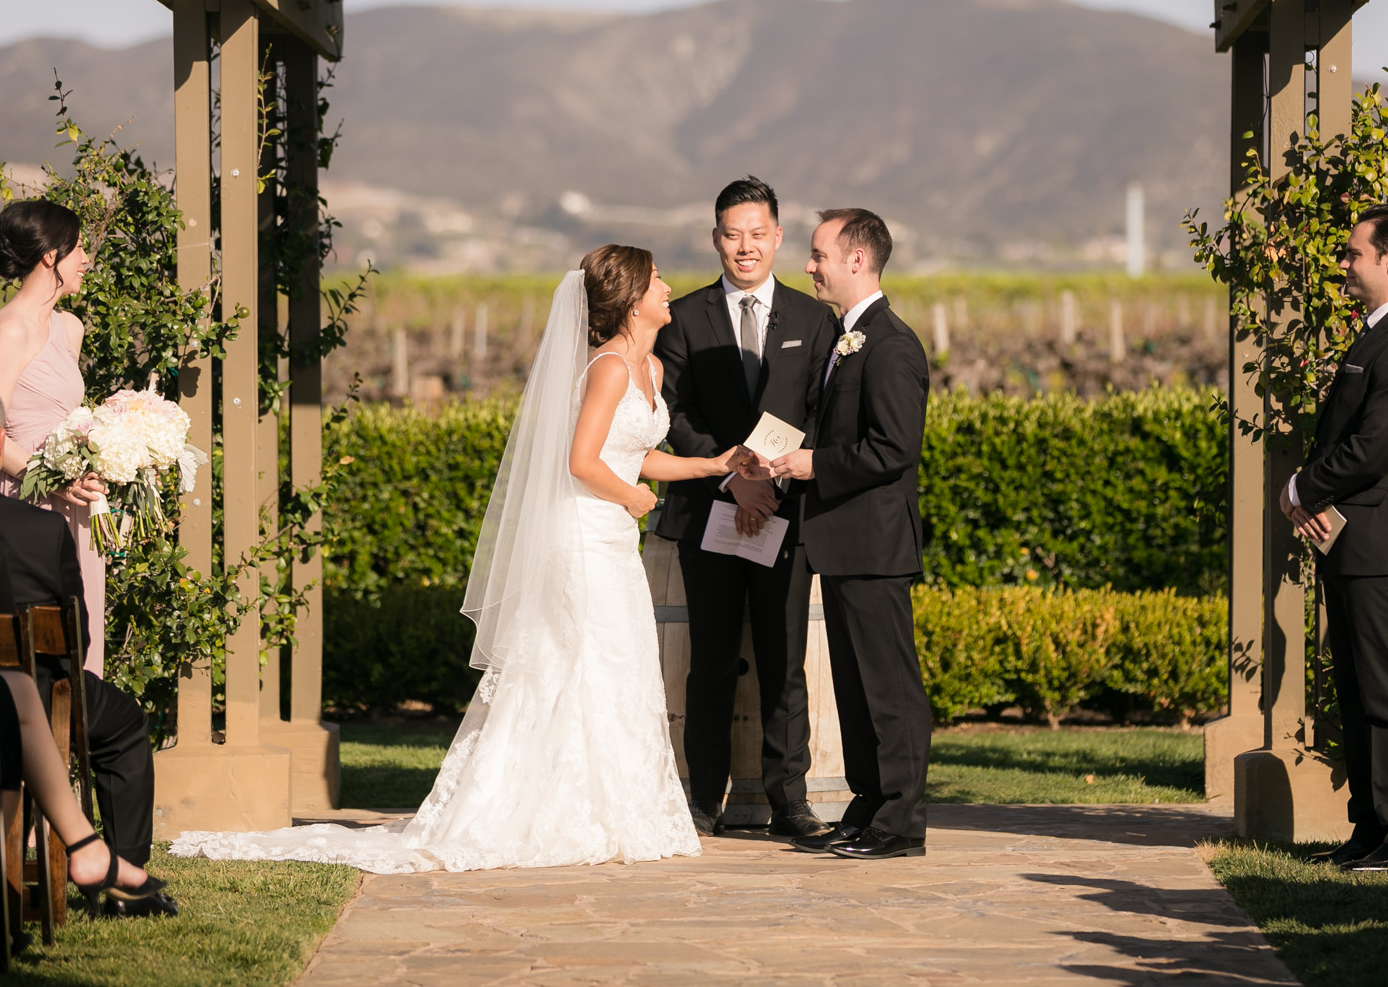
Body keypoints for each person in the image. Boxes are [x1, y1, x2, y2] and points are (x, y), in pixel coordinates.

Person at [171, 247, 746, 872]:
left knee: (615, 658)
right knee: (583, 659)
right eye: (657, 278)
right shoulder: (606, 368)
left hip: (611, 536)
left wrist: (711, 464)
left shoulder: (652, 371)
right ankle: (558, 810)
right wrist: (632, 496)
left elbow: (637, 453)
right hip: (580, 533)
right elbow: (581, 462)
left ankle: (610, 808)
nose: (668, 287)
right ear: (633, 297)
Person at [0, 371, 171, 905]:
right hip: (39, 702)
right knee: (126, 723)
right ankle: (122, 874)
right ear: (0, 442)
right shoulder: (41, 529)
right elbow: (75, 640)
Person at [654, 176, 836, 840]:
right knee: (710, 659)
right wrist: (734, 478)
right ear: (716, 239)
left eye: (758, 233)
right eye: (733, 234)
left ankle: (789, 800)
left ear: (778, 237)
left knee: (784, 658)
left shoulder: (817, 320)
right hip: (712, 511)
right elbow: (671, 411)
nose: (746, 246)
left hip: (785, 516)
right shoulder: (683, 316)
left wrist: (774, 482)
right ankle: (704, 799)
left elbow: (823, 412)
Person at [1276, 204, 1388, 873]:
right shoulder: (1380, 333)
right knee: (1356, 687)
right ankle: (1372, 823)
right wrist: (1312, 493)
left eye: (1353, 253)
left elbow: (1372, 447)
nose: (1344, 264)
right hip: (1353, 545)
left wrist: (1300, 490)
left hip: (1385, 546)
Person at [762, 209, 934, 861]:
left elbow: (893, 448)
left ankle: (901, 821)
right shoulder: (845, 338)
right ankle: (866, 806)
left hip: (875, 546)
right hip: (843, 542)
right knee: (857, 691)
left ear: (856, 260)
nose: (809, 266)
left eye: (818, 255)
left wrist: (813, 464)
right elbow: (836, 435)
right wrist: (778, 452)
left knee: (888, 688)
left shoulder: (890, 344)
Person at [0, 199, 108, 676]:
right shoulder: (8, 330)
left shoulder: (69, 328)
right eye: (78, 249)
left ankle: (78, 743)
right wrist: (49, 479)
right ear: (51, 256)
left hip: (76, 505)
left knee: (84, 633)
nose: (87, 260)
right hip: (29, 502)